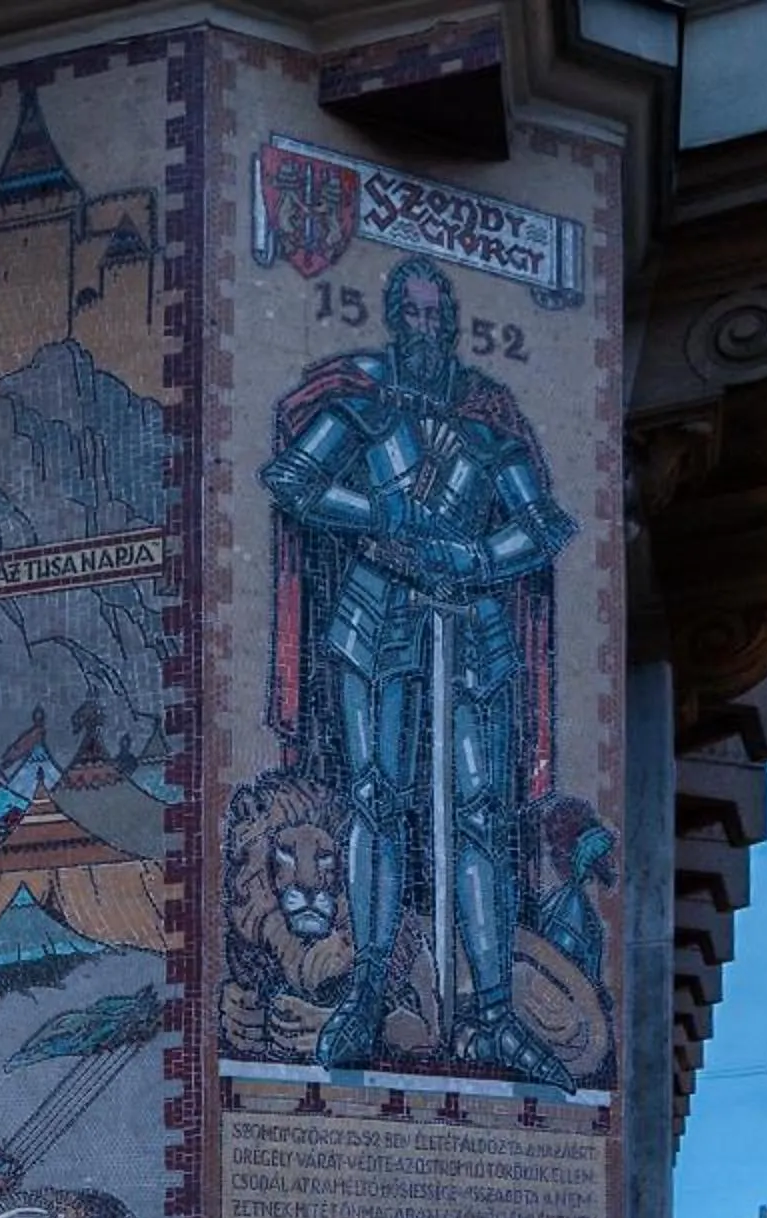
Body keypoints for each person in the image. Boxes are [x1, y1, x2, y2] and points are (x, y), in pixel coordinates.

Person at [262, 254, 575, 1087]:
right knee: (376, 795)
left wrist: (480, 554)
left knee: (477, 813)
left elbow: (542, 525)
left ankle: (495, 1014)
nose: (428, 331)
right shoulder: (360, 411)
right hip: (377, 607)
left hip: (469, 621)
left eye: (442, 318)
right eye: (417, 315)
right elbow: (290, 479)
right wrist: (375, 509)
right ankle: (365, 993)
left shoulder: (485, 426)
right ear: (399, 320)